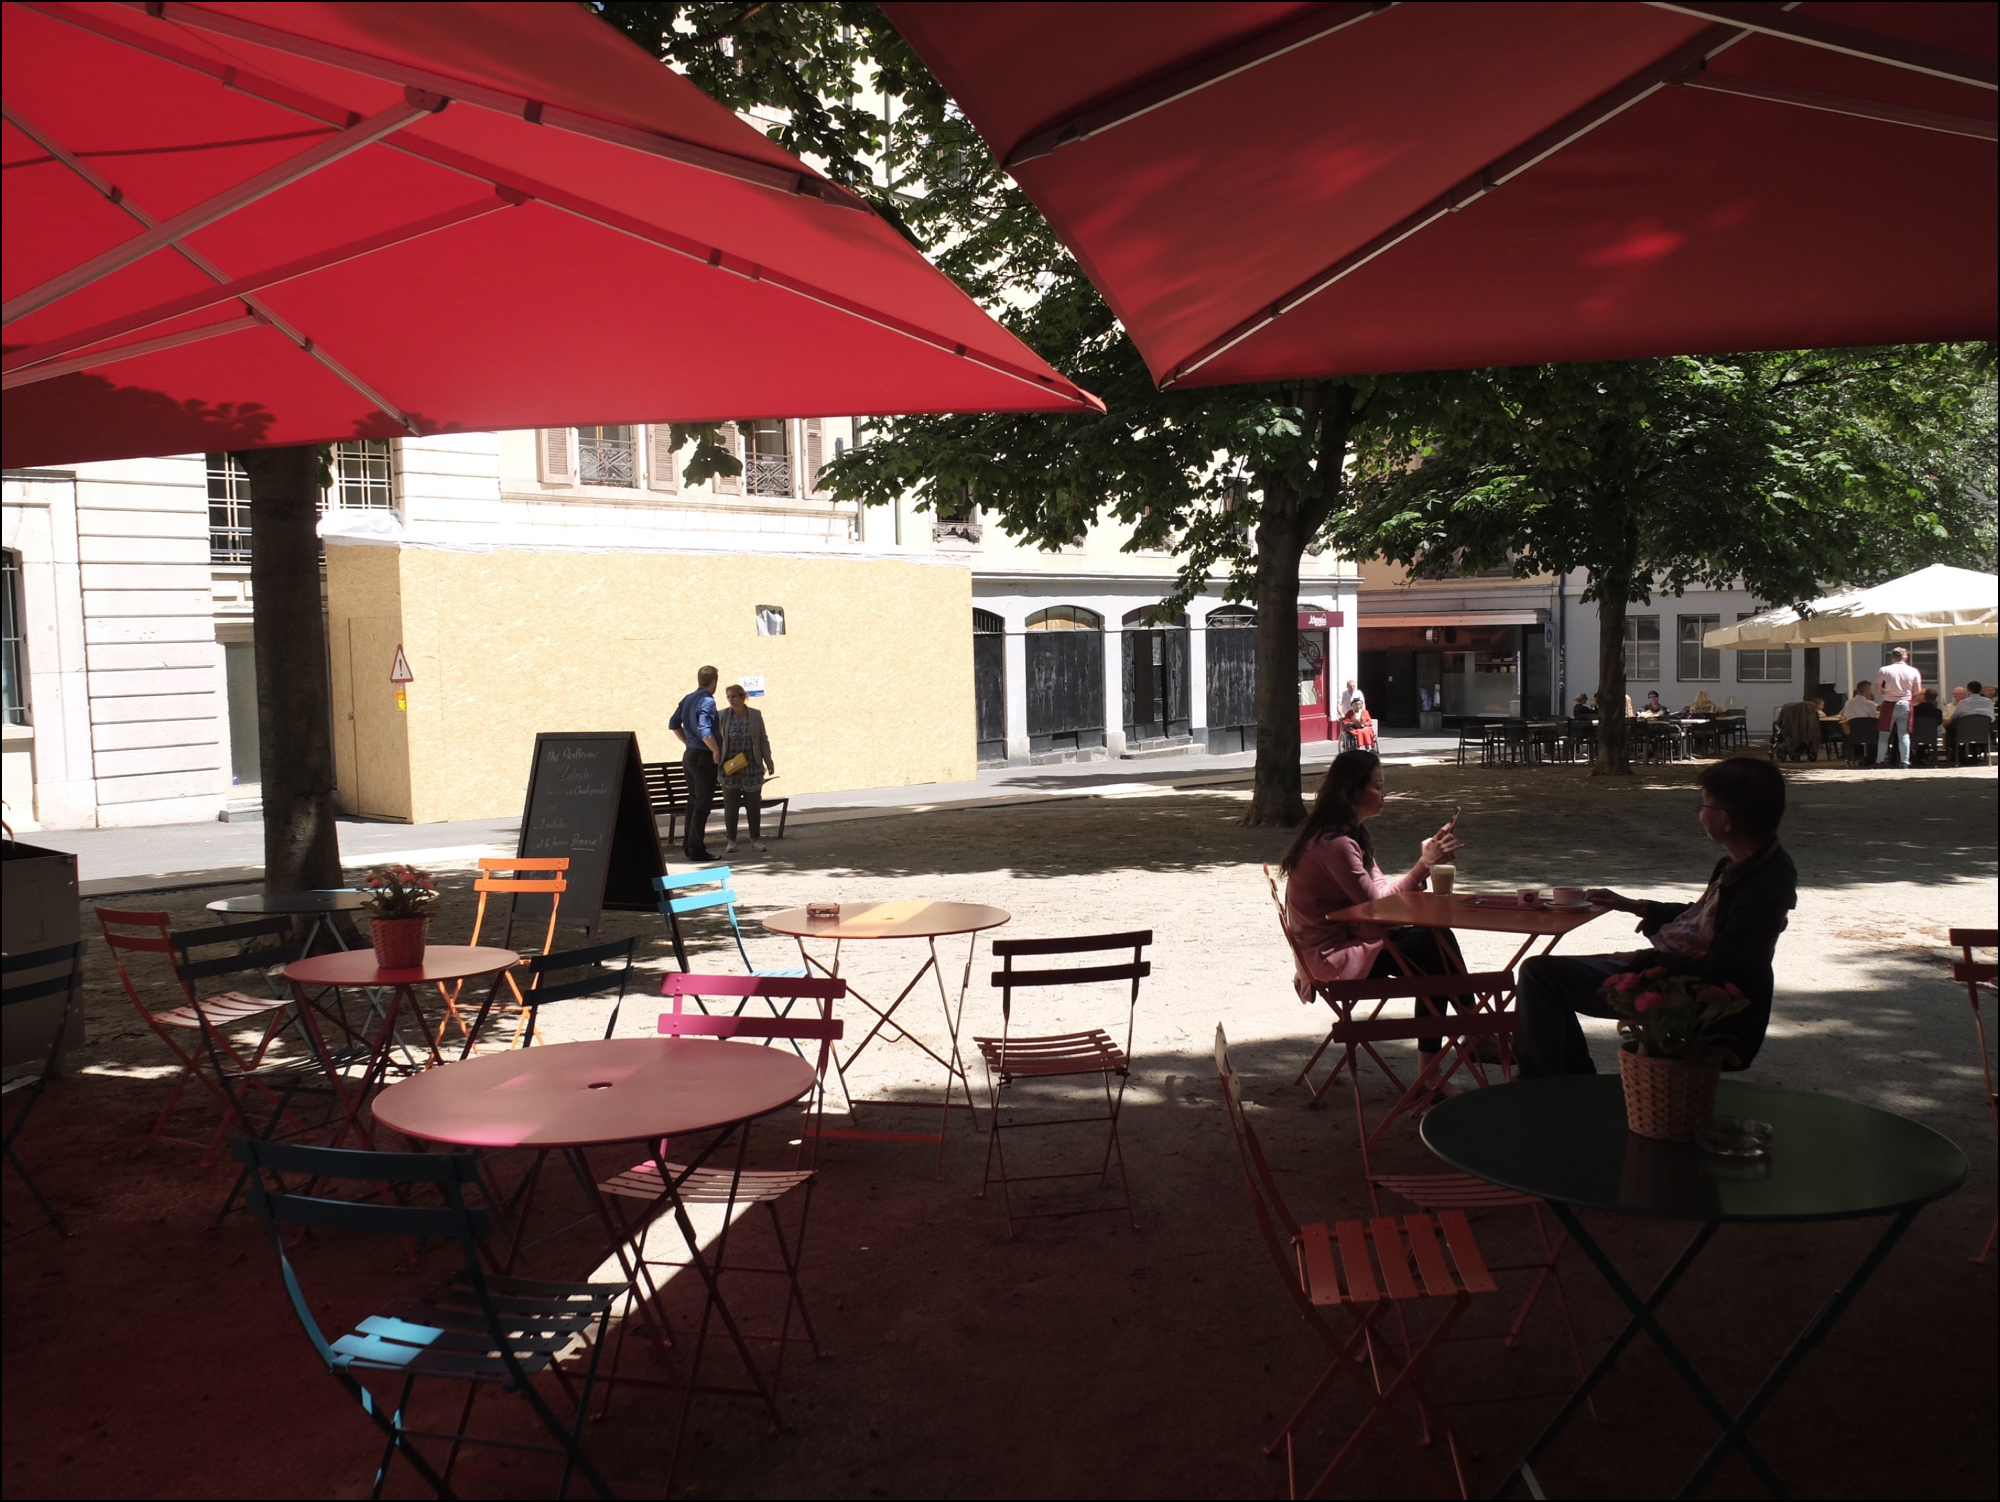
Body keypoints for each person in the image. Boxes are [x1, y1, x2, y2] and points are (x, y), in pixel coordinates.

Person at [1514, 757, 1797, 1078]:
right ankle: (1571, 1085)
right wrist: (1635, 905)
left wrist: (1640, 960)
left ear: (1726, 820)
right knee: (1545, 976)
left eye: (1704, 806)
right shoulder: (1744, 863)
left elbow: (1724, 965)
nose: (1700, 814)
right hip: (1680, 970)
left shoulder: (1766, 884)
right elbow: (1704, 919)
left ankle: (1543, 1089)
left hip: (1696, 991)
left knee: (1541, 976)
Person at [1279, 750, 1466, 1072]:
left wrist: (1422, 866)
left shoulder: (1348, 837)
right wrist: (1424, 865)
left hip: (1344, 943)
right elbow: (1378, 909)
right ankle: (1470, 1032)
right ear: (1353, 790)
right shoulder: (1336, 844)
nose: (1384, 793)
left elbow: (1378, 894)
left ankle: (1447, 1056)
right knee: (1433, 945)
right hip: (1331, 958)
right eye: (1378, 786)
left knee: (1434, 952)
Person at [668, 666, 721, 862]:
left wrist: (688, 742)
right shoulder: (707, 700)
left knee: (693, 802)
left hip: (690, 755)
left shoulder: (688, 699)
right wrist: (715, 750)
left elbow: (674, 724)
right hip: (703, 757)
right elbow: (705, 730)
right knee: (702, 805)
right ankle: (697, 849)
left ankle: (689, 846)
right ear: (714, 682)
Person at [716, 683, 776, 853]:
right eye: (728, 697)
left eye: (734, 696)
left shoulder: (755, 715)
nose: (731, 700)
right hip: (730, 767)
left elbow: (762, 739)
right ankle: (731, 840)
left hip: (752, 766)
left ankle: (755, 839)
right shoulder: (722, 715)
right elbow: (717, 740)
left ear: (743, 697)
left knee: (753, 805)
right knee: (731, 805)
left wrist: (768, 761)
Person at [1875, 646, 1922, 769]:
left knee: (1884, 734)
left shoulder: (1884, 670)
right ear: (1905, 657)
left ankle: (1880, 760)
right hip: (1906, 702)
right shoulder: (1914, 671)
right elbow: (1917, 691)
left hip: (1889, 703)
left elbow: (1878, 689)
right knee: (1903, 734)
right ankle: (1904, 761)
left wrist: (1886, 691)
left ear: (1892, 657)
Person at [1839, 680, 1876, 765]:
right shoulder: (1870, 704)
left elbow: (1845, 717)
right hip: (1869, 734)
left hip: (1853, 733)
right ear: (1866, 690)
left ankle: (1856, 756)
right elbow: (1873, 719)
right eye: (1870, 689)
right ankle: (1871, 758)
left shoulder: (1848, 703)